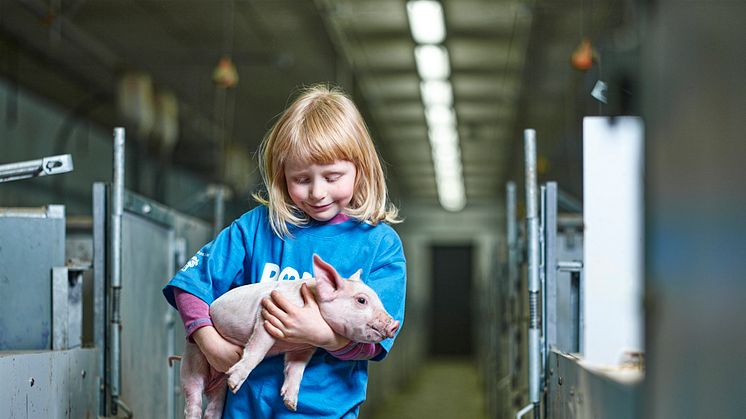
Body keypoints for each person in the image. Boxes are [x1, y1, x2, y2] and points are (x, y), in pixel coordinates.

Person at [162, 83, 406, 418]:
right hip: (244, 407)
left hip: (325, 412)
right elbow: (191, 284)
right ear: (282, 175)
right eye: (302, 179)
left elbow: (376, 339)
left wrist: (319, 334)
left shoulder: (379, 244)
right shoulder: (257, 227)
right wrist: (210, 344)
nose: (318, 192)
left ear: (360, 169)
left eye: (333, 176)